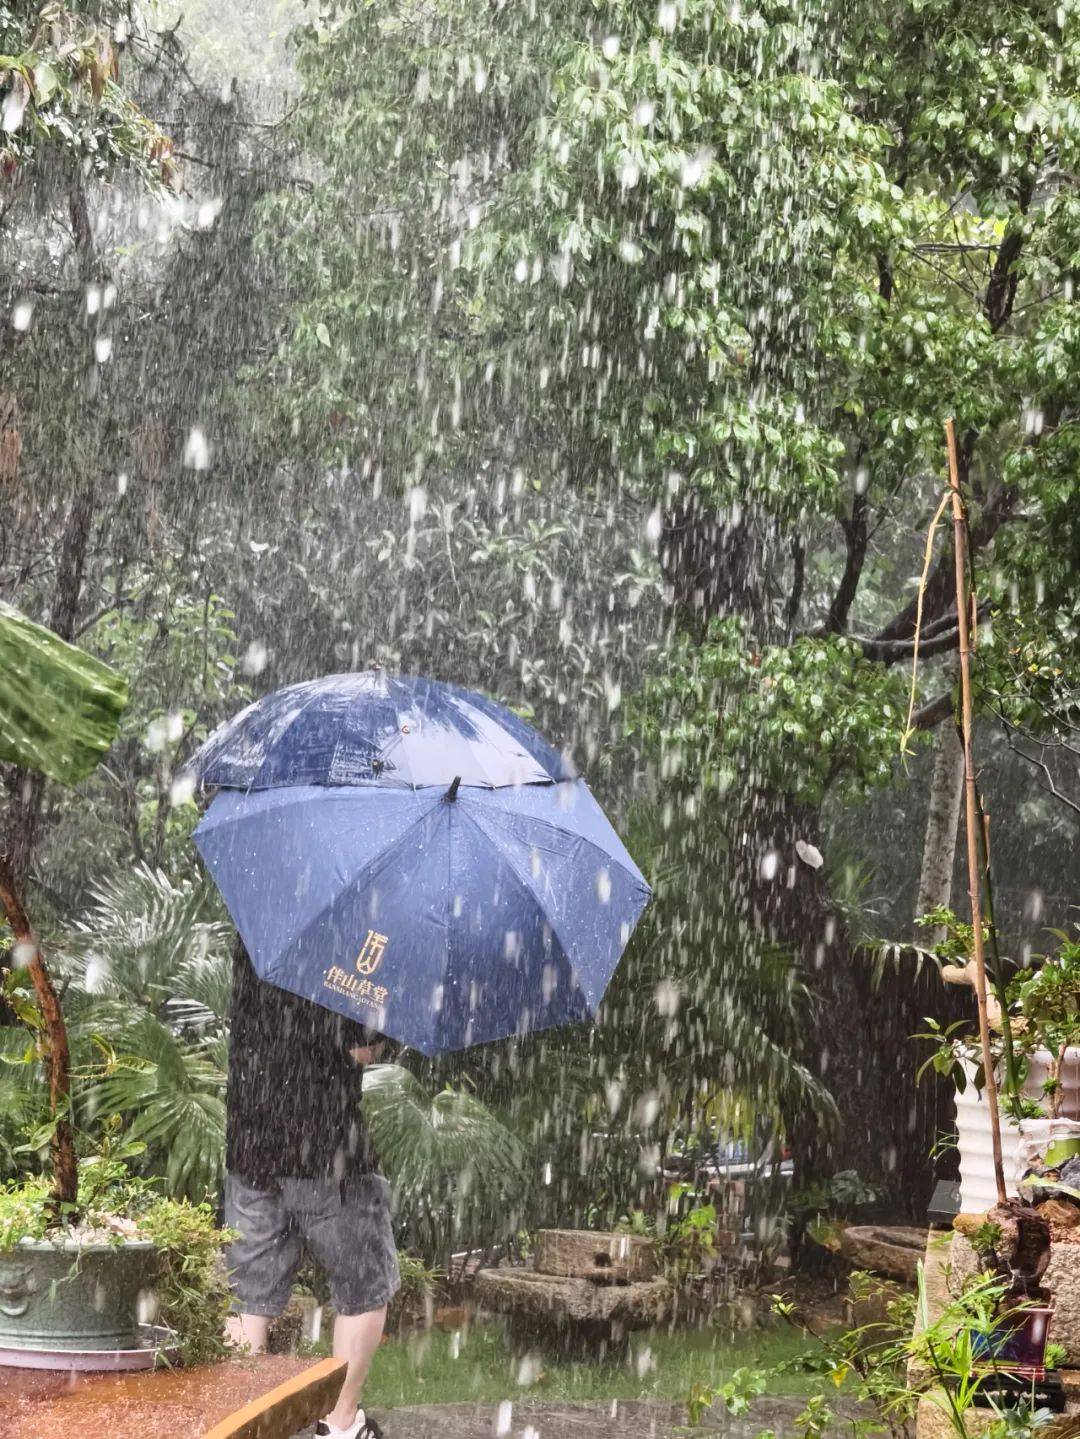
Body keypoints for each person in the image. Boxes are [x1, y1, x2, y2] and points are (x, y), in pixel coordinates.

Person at [224, 940, 399, 1439]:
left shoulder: (259, 912)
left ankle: (243, 1425)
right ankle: (341, 1424)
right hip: (325, 1149)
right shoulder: (355, 937)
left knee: (248, 1300)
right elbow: (361, 1047)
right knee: (364, 1289)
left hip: (251, 1140)